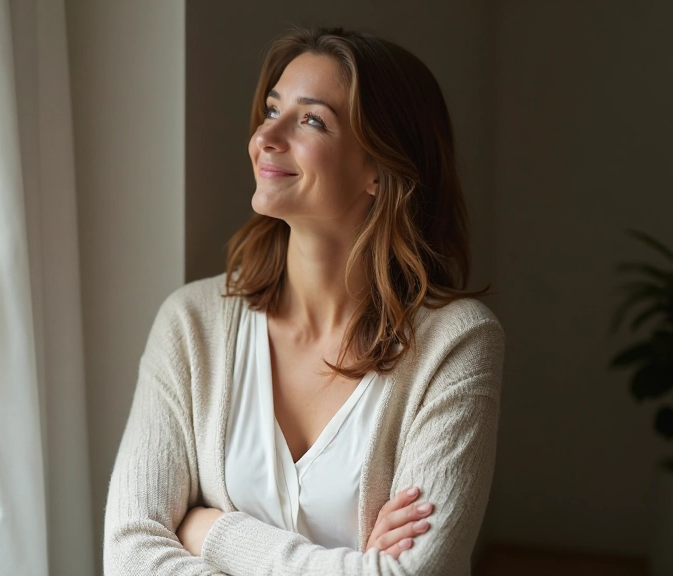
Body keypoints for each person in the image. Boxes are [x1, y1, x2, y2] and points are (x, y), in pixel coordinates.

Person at [103, 26, 504, 575]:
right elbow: (129, 554)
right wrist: (354, 564)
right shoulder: (191, 324)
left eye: (311, 119)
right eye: (272, 110)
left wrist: (212, 530)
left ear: (381, 170)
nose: (267, 136)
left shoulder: (455, 344)